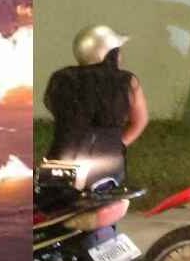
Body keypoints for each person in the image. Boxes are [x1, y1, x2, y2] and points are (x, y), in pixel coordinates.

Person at [44, 25, 149, 186]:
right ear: (110, 54)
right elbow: (140, 120)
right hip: (107, 164)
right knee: (111, 200)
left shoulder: (62, 79)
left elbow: (54, 109)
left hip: (60, 160)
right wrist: (117, 144)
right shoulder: (127, 81)